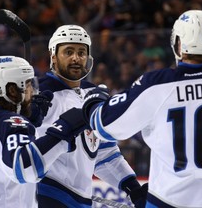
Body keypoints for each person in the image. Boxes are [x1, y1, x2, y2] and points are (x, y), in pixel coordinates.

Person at [82, 10, 202, 207]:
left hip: (168, 200)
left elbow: (103, 125)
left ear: (179, 43)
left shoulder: (156, 85)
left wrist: (93, 100)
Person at [34, 25, 147, 208]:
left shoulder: (92, 95)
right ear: (53, 56)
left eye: (81, 52)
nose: (76, 58)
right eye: (68, 52)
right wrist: (27, 115)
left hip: (81, 200)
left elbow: (103, 151)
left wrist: (133, 188)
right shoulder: (40, 96)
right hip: (46, 197)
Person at [0, 55, 87, 208]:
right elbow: (26, 170)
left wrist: (27, 121)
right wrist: (62, 132)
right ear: (12, 90)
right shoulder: (10, 123)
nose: (32, 91)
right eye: (28, 85)